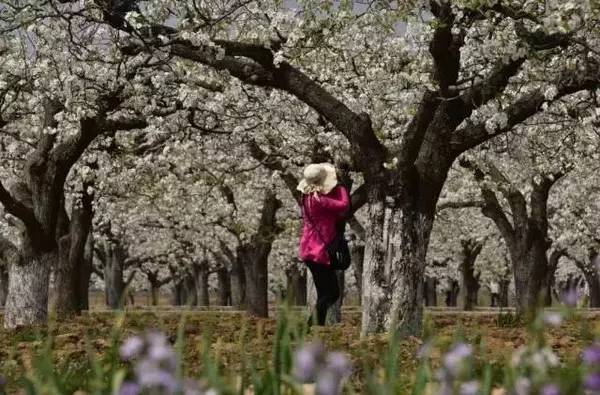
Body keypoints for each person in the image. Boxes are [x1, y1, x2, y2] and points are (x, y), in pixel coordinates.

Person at [297, 162, 350, 326]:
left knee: (323, 293)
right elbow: (344, 204)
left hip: (309, 249)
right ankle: (310, 325)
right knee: (332, 293)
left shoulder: (306, 197)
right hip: (319, 251)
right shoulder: (319, 200)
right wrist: (341, 187)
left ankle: (317, 327)